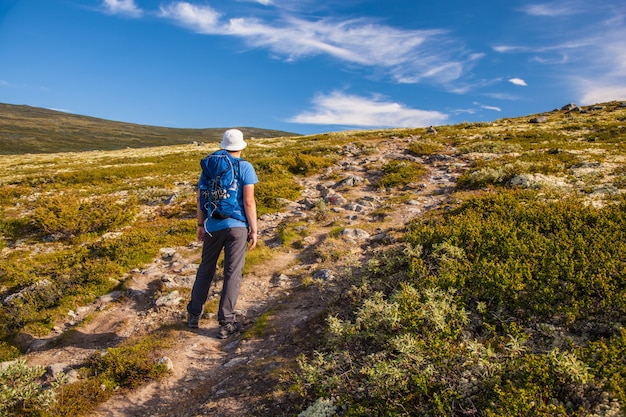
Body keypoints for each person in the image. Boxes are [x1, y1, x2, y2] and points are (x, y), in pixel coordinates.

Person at [186, 129, 258, 339]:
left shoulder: (208, 168)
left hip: (212, 225)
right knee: (232, 273)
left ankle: (193, 315)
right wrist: (253, 229)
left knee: (205, 269)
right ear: (242, 147)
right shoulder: (245, 167)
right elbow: (248, 202)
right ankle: (226, 322)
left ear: (223, 145)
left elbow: (200, 199)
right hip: (237, 227)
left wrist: (200, 224)